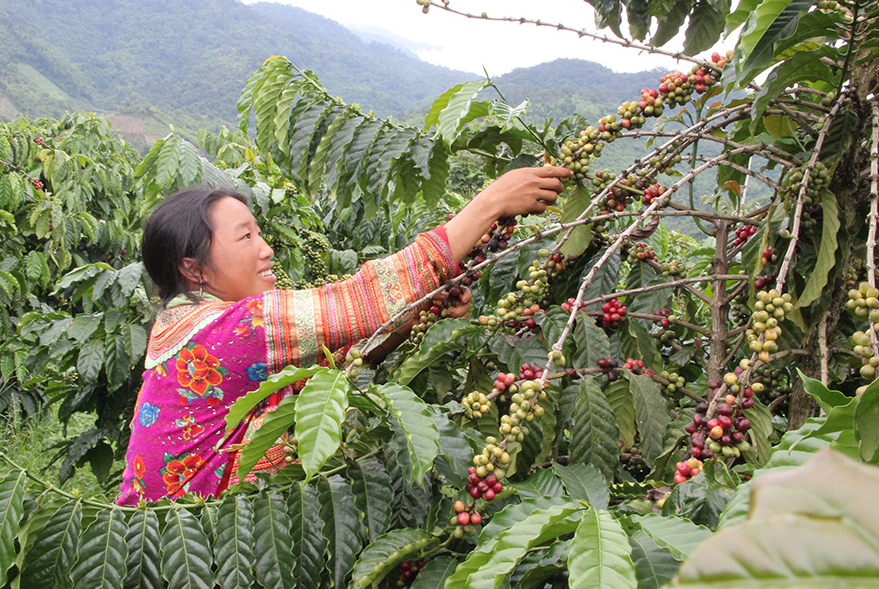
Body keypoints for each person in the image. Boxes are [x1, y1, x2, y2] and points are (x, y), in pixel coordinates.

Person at [117, 165, 570, 504]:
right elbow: (364, 297)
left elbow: (318, 374)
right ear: (193, 269)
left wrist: (403, 325)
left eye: (260, 233)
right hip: (201, 546)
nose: (266, 249)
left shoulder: (178, 326)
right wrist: (490, 202)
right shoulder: (230, 328)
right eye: (246, 238)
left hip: (164, 538)